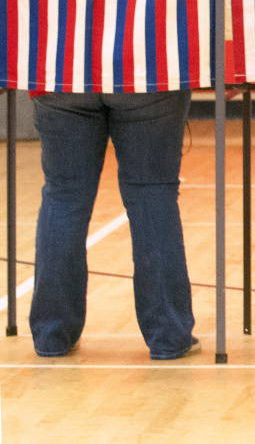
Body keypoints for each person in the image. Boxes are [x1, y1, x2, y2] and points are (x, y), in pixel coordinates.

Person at [30, 90, 200, 360]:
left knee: (64, 196)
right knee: (152, 193)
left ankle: (52, 334)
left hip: (61, 71)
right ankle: (168, 335)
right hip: (147, 70)